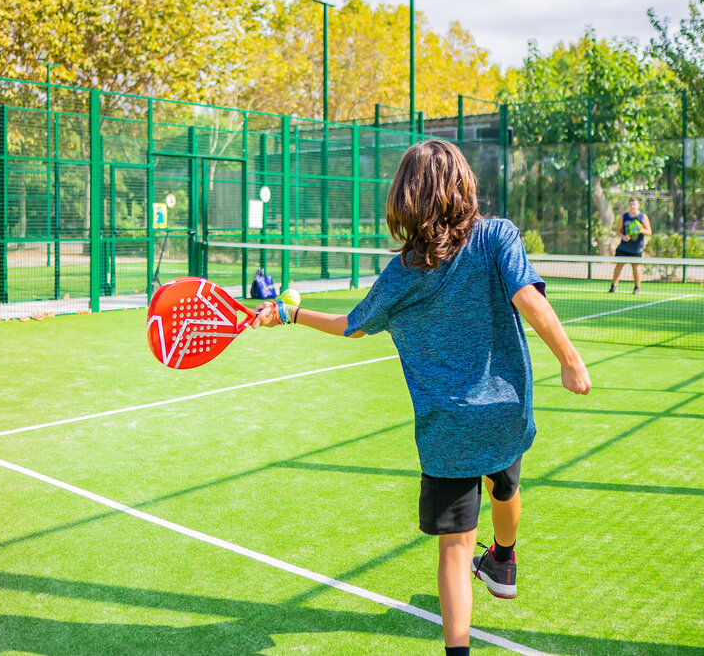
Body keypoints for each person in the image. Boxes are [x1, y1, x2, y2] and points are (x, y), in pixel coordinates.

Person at [251, 140, 591, 656]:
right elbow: (529, 297)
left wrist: (291, 313)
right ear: (464, 187)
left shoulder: (402, 274)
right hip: (505, 414)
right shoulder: (498, 236)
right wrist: (570, 360)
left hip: (446, 427)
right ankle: (503, 558)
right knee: (505, 481)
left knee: (454, 551)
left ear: (405, 199)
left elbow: (351, 327)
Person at [609, 196, 651, 294]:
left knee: (636, 267)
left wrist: (642, 230)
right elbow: (618, 232)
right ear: (628, 205)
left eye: (634, 204)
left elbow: (649, 232)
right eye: (631, 204)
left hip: (636, 248)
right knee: (619, 266)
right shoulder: (624, 217)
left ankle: (637, 287)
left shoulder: (642, 217)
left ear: (638, 205)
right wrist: (623, 236)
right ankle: (613, 286)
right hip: (624, 247)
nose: (633, 206)